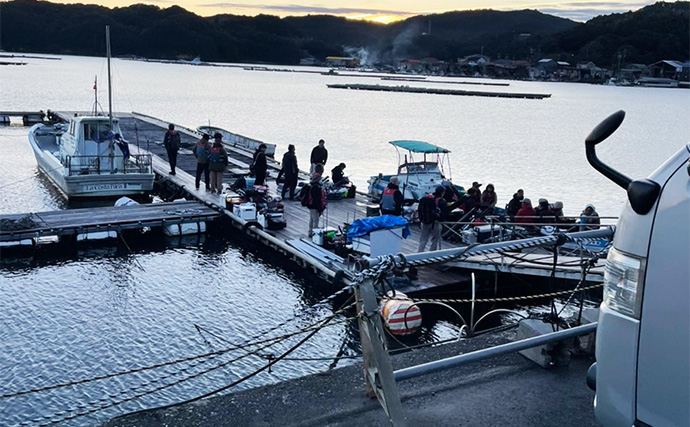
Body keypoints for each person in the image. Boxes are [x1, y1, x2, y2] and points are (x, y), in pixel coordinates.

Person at [417, 186, 448, 252]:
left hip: (424, 221)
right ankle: (432, 252)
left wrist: (421, 220)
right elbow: (443, 214)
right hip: (435, 222)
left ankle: (420, 252)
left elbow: (419, 210)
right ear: (442, 192)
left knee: (423, 238)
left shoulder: (425, 198)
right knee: (435, 238)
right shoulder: (442, 201)